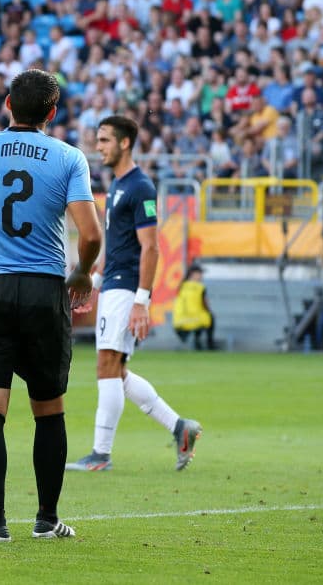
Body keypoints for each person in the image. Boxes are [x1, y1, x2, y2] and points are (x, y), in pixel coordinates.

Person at [0, 69, 102, 542]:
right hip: (46, 293)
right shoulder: (70, 158)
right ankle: (47, 521)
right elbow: (90, 235)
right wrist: (83, 272)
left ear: (7, 103)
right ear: (52, 112)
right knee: (49, 410)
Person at [66, 116, 202, 474]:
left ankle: (100, 454)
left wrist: (141, 298)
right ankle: (179, 427)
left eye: (106, 140)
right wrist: (92, 282)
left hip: (127, 289)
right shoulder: (118, 186)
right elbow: (118, 244)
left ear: (125, 143)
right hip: (114, 284)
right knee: (118, 371)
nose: (99, 146)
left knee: (106, 366)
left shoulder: (141, 186)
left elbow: (150, 247)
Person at [173, 264, 215, 350]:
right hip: (196, 319)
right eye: (200, 273)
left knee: (197, 323)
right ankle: (209, 345)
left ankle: (189, 341)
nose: (201, 276)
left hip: (179, 321)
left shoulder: (181, 286)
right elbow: (206, 304)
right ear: (193, 274)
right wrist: (209, 311)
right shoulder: (200, 287)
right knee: (210, 317)